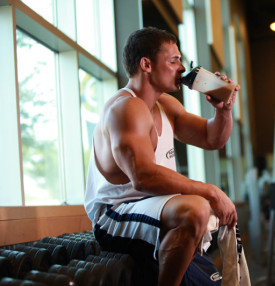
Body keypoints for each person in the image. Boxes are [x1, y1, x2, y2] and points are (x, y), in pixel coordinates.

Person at [84, 26, 240, 286]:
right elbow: (143, 177)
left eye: (180, 60)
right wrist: (211, 191)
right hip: (115, 214)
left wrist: (223, 111)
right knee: (197, 208)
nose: (181, 68)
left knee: (198, 208)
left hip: (155, 207)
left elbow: (212, 139)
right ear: (146, 64)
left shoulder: (166, 105)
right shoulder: (126, 107)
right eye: (173, 60)